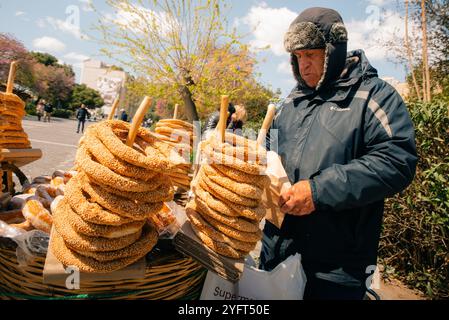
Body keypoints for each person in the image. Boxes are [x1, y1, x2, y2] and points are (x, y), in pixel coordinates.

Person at [259, 7, 417, 300]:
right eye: (297, 57)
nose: (302, 65)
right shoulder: (291, 102)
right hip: (277, 253)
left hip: (337, 268)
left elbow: (398, 160)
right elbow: (268, 151)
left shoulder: (373, 95)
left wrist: (318, 191)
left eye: (311, 55)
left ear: (334, 49)